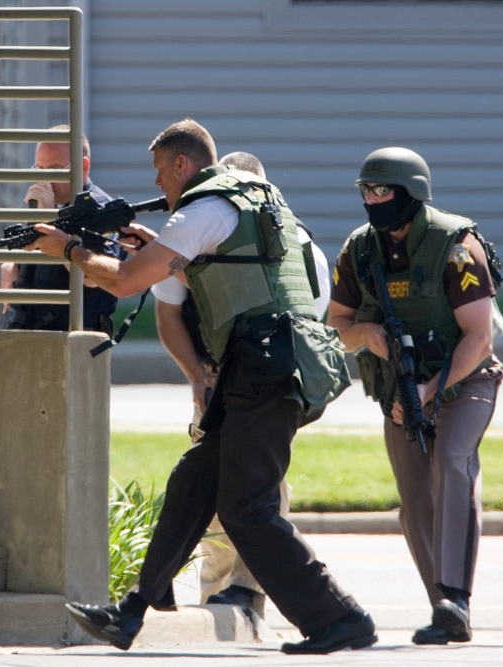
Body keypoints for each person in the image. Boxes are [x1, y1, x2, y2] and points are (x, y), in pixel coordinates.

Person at [25, 119, 376, 654]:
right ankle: (131, 613)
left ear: (182, 165)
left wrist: (70, 249)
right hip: (269, 363)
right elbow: (229, 275)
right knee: (194, 481)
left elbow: (122, 281)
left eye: (160, 172)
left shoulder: (201, 209)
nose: (159, 185)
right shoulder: (246, 199)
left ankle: (339, 616)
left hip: (263, 368)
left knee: (247, 510)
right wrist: (155, 245)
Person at [328, 147, 503, 646]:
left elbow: (479, 337)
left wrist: (432, 388)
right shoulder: (359, 249)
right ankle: (442, 608)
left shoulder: (455, 245)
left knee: (453, 462)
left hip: (466, 381)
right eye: (365, 191)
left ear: (411, 194)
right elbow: (337, 324)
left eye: (382, 191)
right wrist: (367, 334)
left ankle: (457, 596)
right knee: (413, 501)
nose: (372, 200)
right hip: (400, 390)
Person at [152, 151, 331, 619]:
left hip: (269, 381)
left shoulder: (299, 245)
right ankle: (213, 592)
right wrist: (197, 373)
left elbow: (310, 322)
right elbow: (168, 311)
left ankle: (251, 591)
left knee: (259, 489)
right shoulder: (207, 225)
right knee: (208, 487)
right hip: (217, 382)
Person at [0, 125, 125, 333]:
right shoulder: (48, 202)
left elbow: (99, 278)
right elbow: (28, 252)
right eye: (39, 170)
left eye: (55, 170)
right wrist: (11, 264)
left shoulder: (103, 211)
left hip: (77, 337)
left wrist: (53, 227)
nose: (45, 181)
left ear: (83, 167)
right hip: (26, 335)